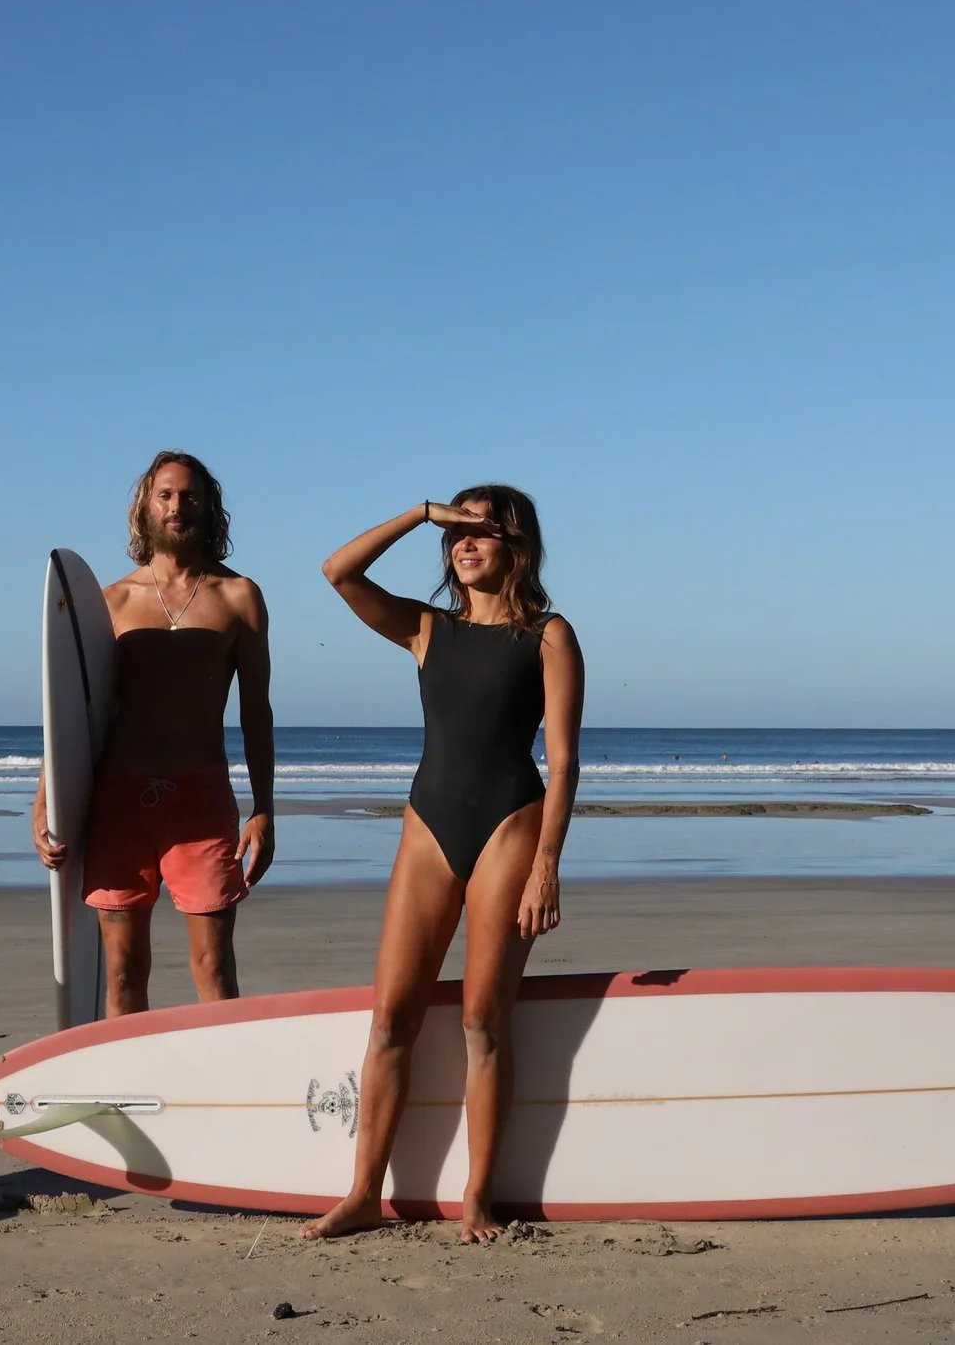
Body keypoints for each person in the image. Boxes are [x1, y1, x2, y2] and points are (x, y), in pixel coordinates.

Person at [304, 486, 582, 1244]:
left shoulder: (549, 635)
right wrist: (423, 513)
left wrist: (547, 864)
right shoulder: (428, 628)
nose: (466, 542)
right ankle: (364, 1194)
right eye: (458, 531)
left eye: (483, 530)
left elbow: (563, 762)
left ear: (518, 546)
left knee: (482, 1020)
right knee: (390, 1018)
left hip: (510, 827)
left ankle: (477, 1198)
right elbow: (338, 571)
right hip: (429, 827)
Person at [32, 451, 276, 1015]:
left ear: (208, 507)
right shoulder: (111, 603)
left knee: (214, 967)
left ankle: (220, 1068)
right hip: (121, 801)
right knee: (122, 971)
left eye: (189, 495)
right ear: (145, 506)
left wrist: (263, 808)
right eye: (165, 495)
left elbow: (256, 711)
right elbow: (71, 714)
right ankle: (128, 1071)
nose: (176, 506)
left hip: (201, 800)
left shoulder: (239, 597)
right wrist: (46, 801)